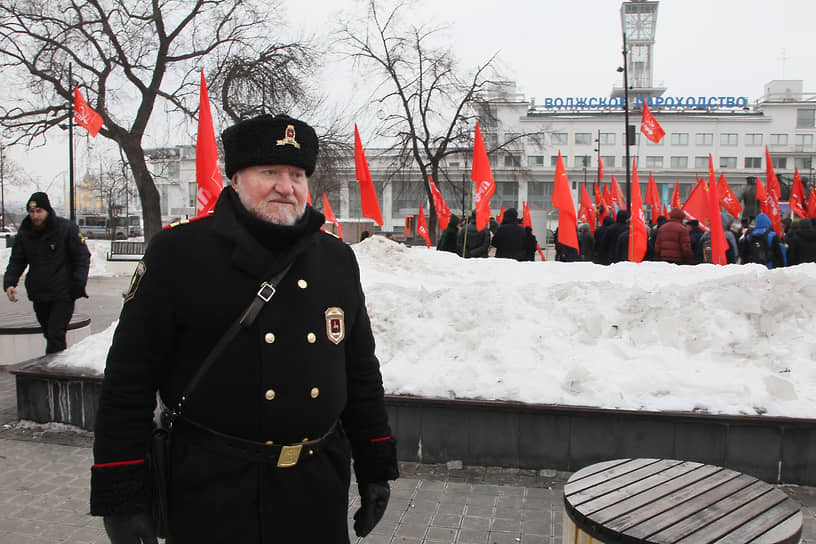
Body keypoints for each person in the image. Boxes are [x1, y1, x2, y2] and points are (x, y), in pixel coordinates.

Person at [90, 114, 399, 543]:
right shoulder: (179, 255)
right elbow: (129, 382)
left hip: (316, 490)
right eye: (269, 171)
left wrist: (375, 467)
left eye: (296, 174)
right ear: (234, 178)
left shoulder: (336, 260)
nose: (286, 186)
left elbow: (360, 373)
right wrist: (122, 499)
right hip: (214, 494)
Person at [3, 192, 90, 354]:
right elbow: (17, 260)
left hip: (63, 293)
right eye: (31, 212)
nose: (35, 216)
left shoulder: (66, 229)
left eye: (39, 212)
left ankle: (54, 375)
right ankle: (55, 370)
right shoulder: (25, 233)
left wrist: (78, 283)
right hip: (39, 294)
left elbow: (82, 256)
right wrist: (9, 283)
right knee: (50, 335)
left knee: (55, 335)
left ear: (47, 211)